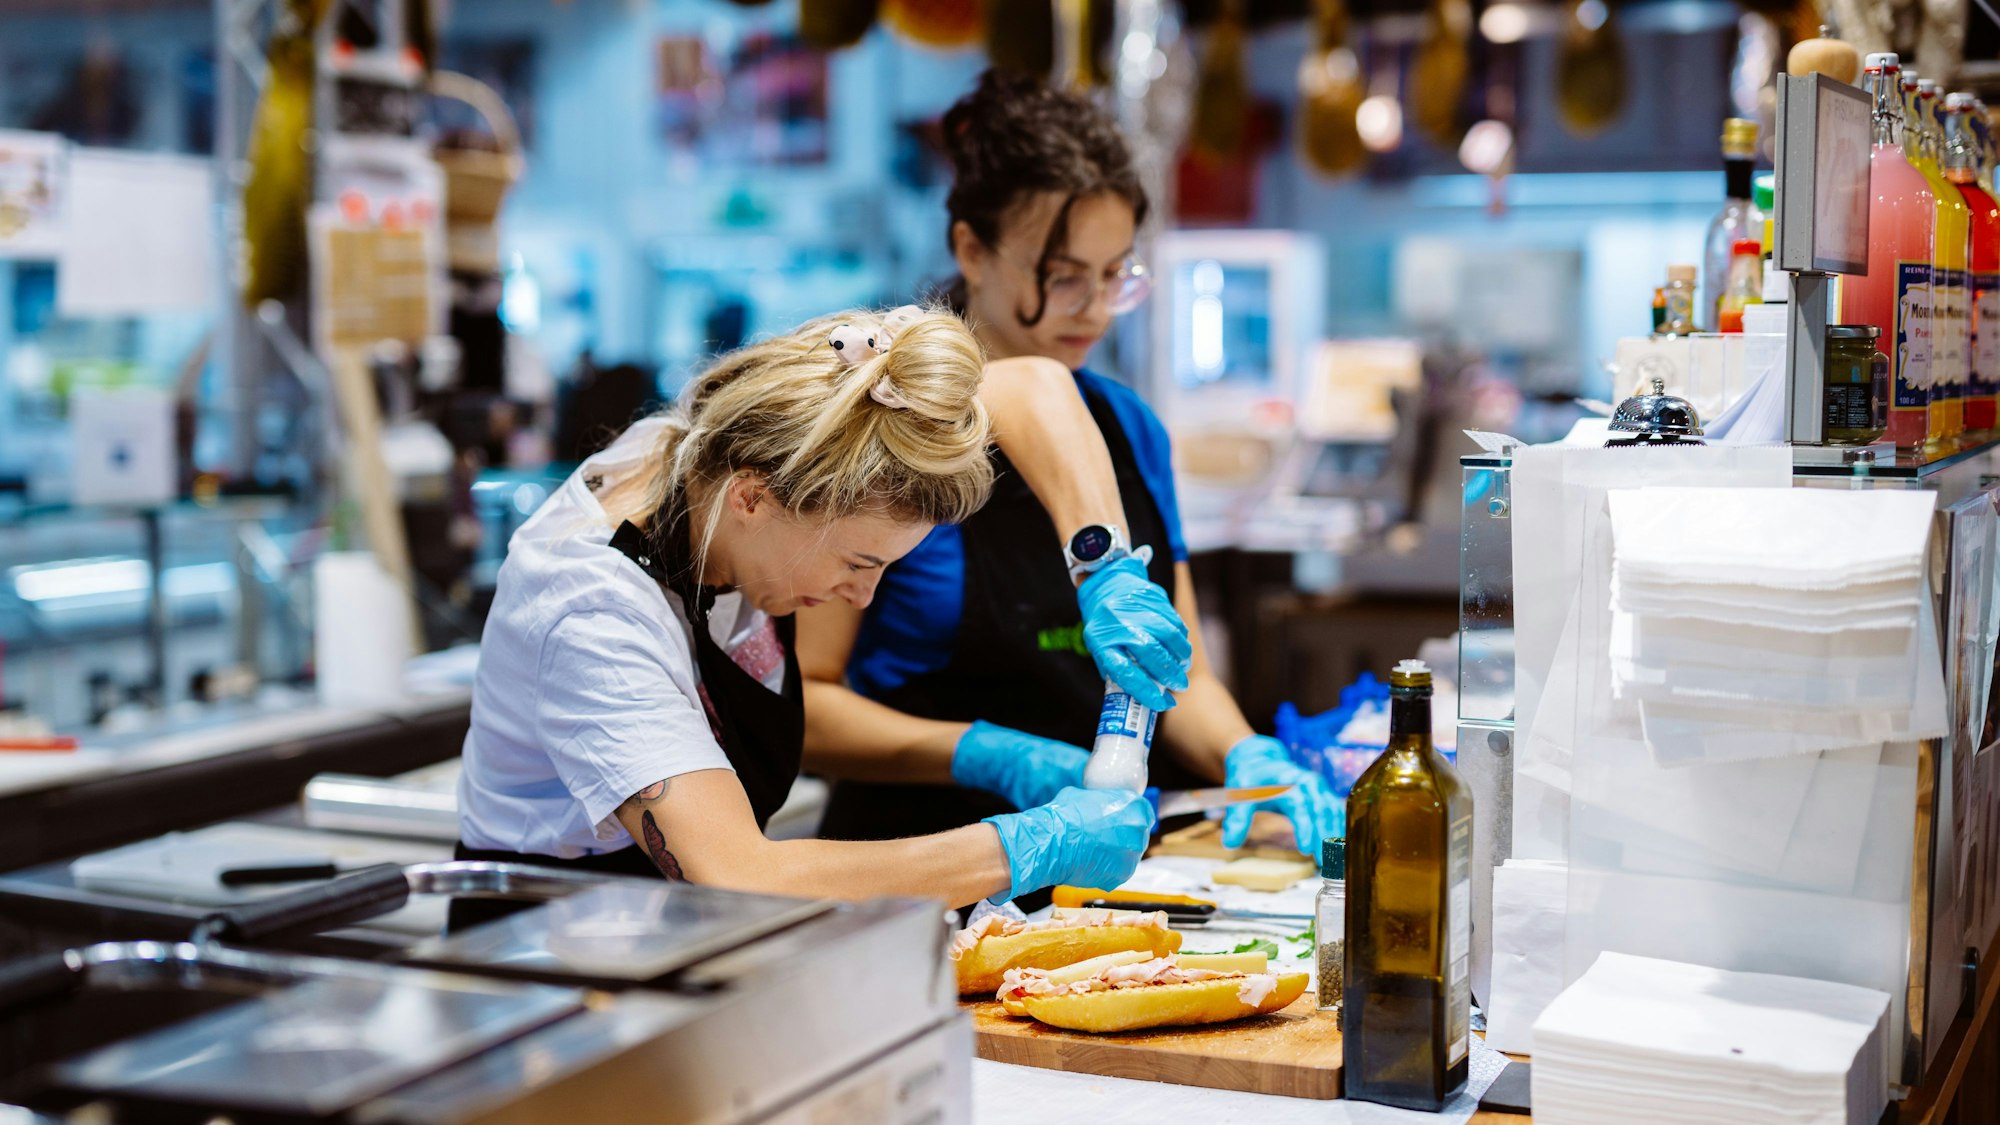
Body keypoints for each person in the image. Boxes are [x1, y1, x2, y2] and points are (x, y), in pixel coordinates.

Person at [799, 71, 1341, 870]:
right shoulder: (885, 424)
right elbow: (806, 702)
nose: (1091, 307)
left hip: (1100, 872)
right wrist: (982, 753)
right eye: (1061, 275)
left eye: (1116, 273)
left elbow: (1173, 664)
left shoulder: (1128, 429)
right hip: (911, 870)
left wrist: (1245, 756)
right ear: (971, 250)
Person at [455, 305, 1153, 909]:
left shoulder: (715, 454)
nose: (863, 596)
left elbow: (1028, 383)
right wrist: (1027, 845)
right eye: (858, 563)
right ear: (752, 498)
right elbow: (738, 872)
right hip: (545, 971)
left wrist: (1103, 567)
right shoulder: (592, 610)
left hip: (664, 941)